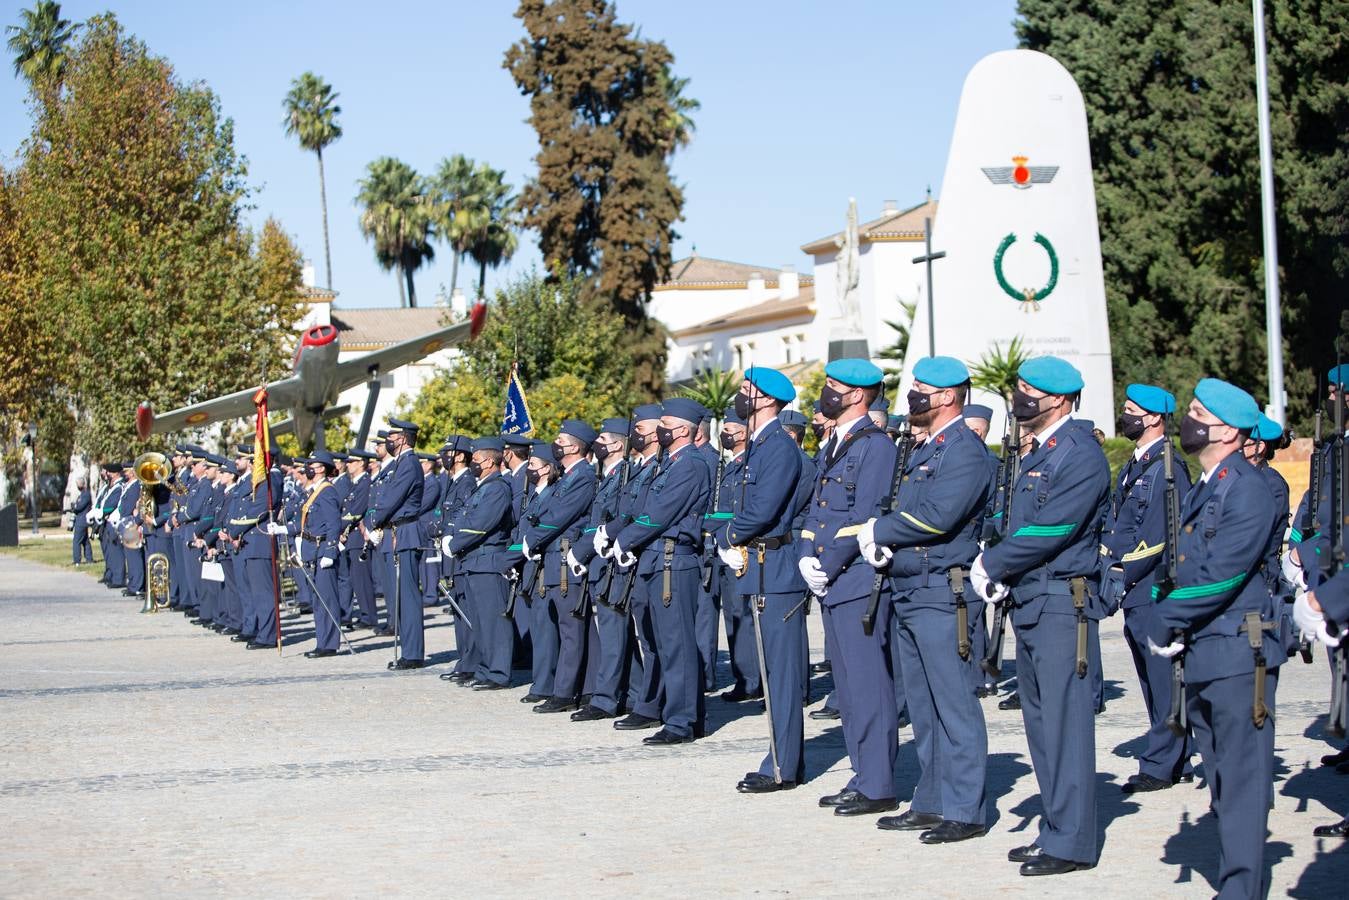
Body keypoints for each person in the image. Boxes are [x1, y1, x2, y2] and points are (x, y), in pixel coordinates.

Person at [971, 355, 1110, 876]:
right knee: (1040, 724)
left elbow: (1053, 529)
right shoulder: (1041, 452)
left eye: (1031, 390)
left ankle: (1072, 841)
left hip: (1060, 600)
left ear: (1058, 398)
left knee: (1065, 725)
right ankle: (1056, 827)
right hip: (1032, 597)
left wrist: (994, 561)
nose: (1021, 397)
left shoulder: (1079, 453)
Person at [1147, 378, 1280, 899]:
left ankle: (1241, 891)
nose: (1190, 419)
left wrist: (1167, 617)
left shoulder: (1245, 487)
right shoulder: (1211, 483)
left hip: (1236, 653)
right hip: (1208, 651)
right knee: (1223, 778)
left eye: (1200, 412)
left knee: (1242, 781)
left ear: (1226, 430)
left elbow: (1223, 575)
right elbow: (1186, 566)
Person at [858, 356, 996, 843]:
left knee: (954, 703)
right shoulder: (929, 447)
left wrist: (881, 530)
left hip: (943, 590)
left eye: (921, 388)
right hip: (912, 586)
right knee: (923, 705)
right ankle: (933, 798)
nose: (912, 394)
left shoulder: (963, 449)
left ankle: (967, 809)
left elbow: (938, 516)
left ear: (947, 396)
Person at [801, 358, 900, 817]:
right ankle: (863, 776)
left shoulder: (875, 446)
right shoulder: (836, 442)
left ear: (858, 395)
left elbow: (865, 515)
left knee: (867, 684)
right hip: (831, 580)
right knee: (847, 683)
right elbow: (819, 509)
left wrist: (830, 561)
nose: (826, 392)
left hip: (857, 579)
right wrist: (806, 555)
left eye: (833, 386)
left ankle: (878, 782)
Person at [1101, 384, 1197, 793]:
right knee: (1149, 677)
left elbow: (1160, 535)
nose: (1125, 416)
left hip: (1154, 587)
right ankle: (1176, 750)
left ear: (1155, 418)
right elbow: (1119, 519)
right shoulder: (1137, 464)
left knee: (1163, 678)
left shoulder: (1168, 467)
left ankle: (1161, 764)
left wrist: (1123, 571)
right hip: (1136, 589)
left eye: (1131, 410)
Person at [716, 367, 807, 793]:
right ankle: (780, 756)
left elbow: (764, 510)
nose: (739, 396)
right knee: (773, 671)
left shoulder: (778, 448)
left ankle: (782, 765)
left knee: (780, 674)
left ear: (768, 400)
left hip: (778, 568)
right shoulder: (761, 445)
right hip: (760, 567)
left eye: (746, 391)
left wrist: (728, 534)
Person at [611, 397, 713, 745]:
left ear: (683, 429)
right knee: (662, 641)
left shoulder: (690, 465)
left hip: (673, 562)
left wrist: (625, 540)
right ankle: (678, 713)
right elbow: (645, 508)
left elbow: (661, 513)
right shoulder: (670, 463)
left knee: (677, 644)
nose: (660, 430)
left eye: (665, 424)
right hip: (657, 558)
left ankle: (682, 722)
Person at [524, 420, 598, 712]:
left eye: (561, 439)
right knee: (575, 627)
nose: (556, 443)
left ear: (575, 446)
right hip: (555, 555)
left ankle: (566, 693)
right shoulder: (567, 477)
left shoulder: (583, 476)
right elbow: (544, 510)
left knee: (571, 628)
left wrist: (534, 536)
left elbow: (559, 515)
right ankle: (588, 688)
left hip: (566, 556)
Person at [569, 417, 639, 720]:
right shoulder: (608, 474)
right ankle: (634, 695)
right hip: (602, 561)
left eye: (603, 439)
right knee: (620, 634)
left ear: (617, 444)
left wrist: (580, 552)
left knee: (613, 634)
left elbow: (611, 521)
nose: (598, 444)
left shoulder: (623, 474)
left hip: (611, 562)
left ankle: (606, 700)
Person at [448, 437, 516, 690]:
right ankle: (486, 668)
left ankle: (499, 672)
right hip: (475, 560)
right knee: (480, 621)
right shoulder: (483, 486)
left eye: (476, 459)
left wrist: (454, 544)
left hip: (488, 559)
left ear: (489, 461)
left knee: (493, 622)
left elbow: (480, 524)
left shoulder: (497, 488)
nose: (473, 463)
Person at [270, 452, 343, 658]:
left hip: (322, 551)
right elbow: (307, 523)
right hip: (312, 550)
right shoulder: (314, 492)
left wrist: (330, 550)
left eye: (312, 464)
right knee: (317, 600)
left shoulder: (327, 492)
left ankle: (329, 644)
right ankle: (323, 641)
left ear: (322, 468)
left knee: (326, 599)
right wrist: (283, 529)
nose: (308, 468)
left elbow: (333, 524)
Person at [372, 418, 425, 670]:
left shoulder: (409, 463)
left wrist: (375, 519)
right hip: (398, 532)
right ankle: (408, 649)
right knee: (400, 597)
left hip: (406, 531)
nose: (388, 441)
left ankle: (413, 653)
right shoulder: (401, 463)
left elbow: (392, 498)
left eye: (391, 436)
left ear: (402, 438)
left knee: (408, 596)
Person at [70, 477, 92, 565]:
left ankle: (77, 560)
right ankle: (89, 559)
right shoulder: (82, 494)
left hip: (82, 520)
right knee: (85, 540)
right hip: (80, 519)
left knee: (77, 541)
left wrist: (74, 506)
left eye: (78, 484)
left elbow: (79, 506)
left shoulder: (86, 494)